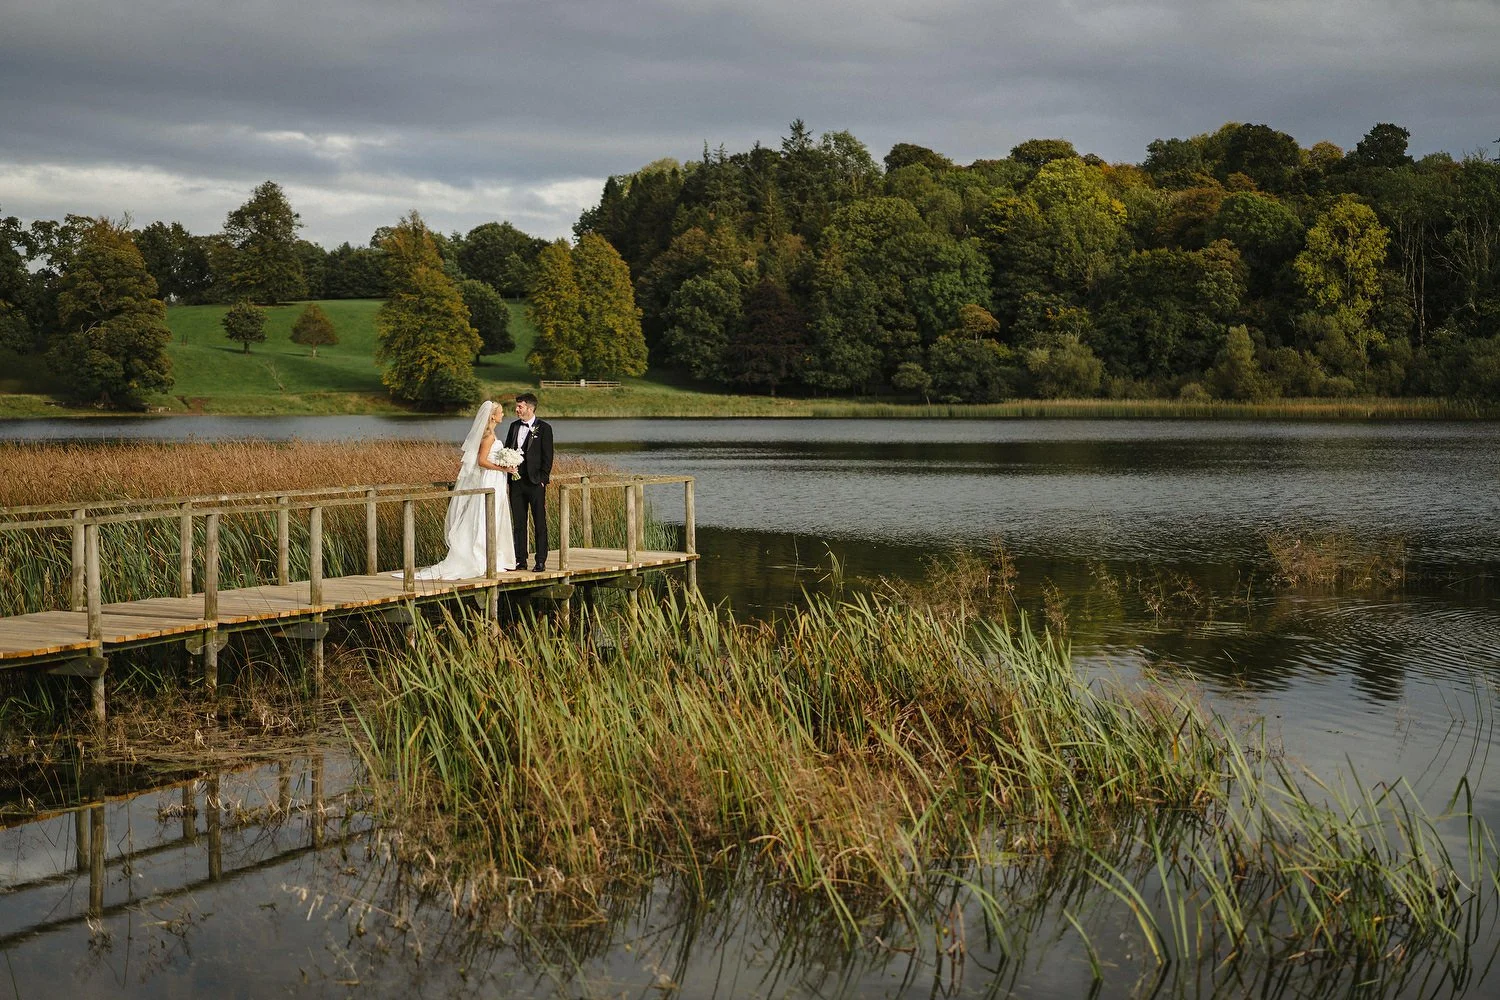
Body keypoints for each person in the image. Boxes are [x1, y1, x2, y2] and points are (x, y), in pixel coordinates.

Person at [401, 399, 518, 579]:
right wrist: (503, 468)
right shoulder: (488, 437)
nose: (503, 414)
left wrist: (506, 463)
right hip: (491, 479)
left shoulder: (491, 434)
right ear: (493, 417)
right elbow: (481, 461)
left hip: (496, 480)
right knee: (485, 515)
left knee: (494, 515)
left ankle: (492, 557)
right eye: (500, 412)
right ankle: (480, 557)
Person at [504, 392, 554, 572]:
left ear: (530, 408)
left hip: (535, 483)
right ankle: (520, 560)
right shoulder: (513, 426)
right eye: (517, 406)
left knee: (539, 522)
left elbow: (548, 456)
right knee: (519, 523)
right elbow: (507, 449)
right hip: (516, 482)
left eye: (520, 406)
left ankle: (540, 560)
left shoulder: (544, 428)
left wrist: (542, 479)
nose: (517, 409)